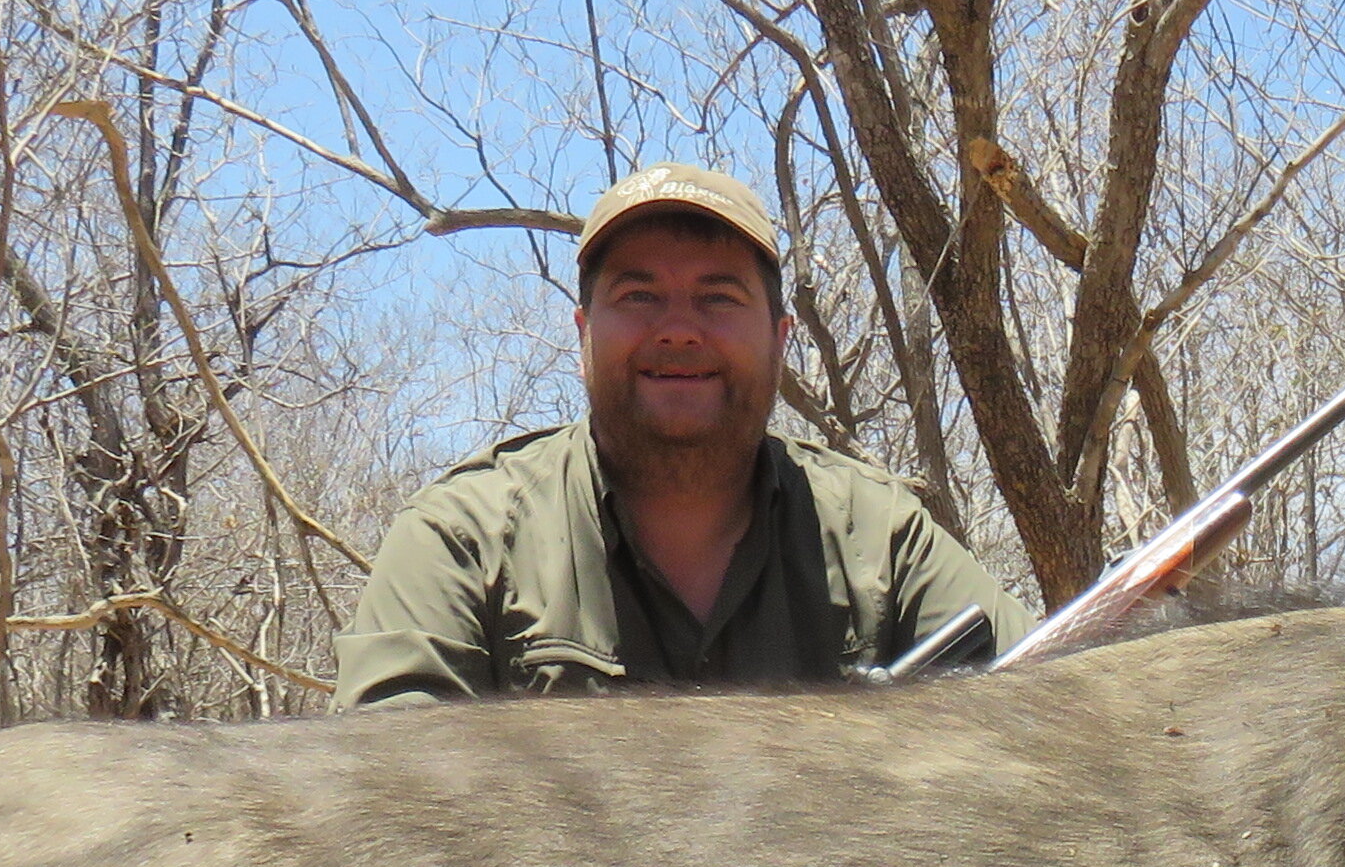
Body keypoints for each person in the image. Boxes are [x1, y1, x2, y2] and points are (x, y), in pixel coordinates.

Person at [335, 163, 1027, 703]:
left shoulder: (881, 536)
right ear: (583, 336)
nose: (677, 329)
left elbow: (1048, 701)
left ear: (780, 341)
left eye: (718, 298)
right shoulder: (459, 541)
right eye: (638, 297)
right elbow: (380, 809)